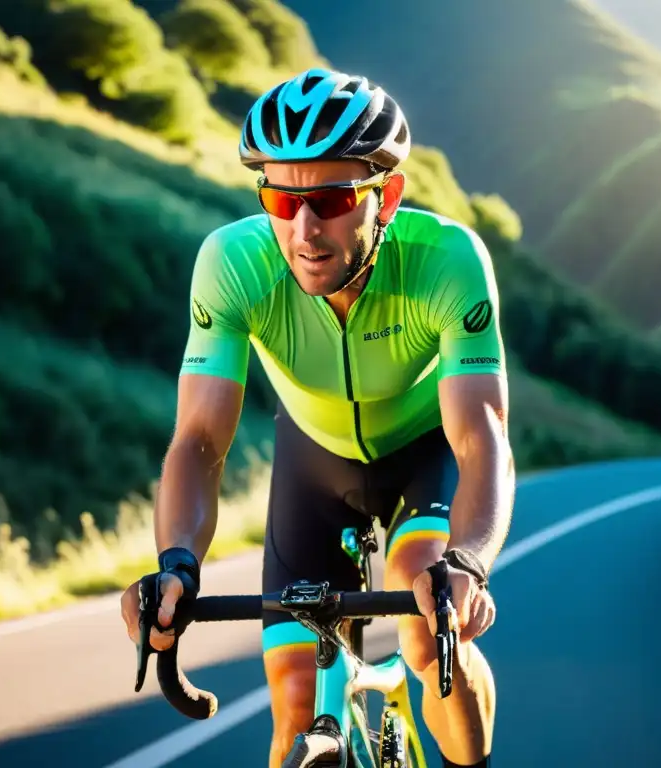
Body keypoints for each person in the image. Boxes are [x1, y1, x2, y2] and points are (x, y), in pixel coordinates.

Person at [119, 67, 515, 768]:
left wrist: (470, 563)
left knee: (429, 634)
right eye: (280, 196)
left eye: (331, 199)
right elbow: (199, 438)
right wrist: (177, 564)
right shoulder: (233, 263)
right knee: (294, 707)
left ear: (384, 195)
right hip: (312, 461)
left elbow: (481, 436)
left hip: (424, 450)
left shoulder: (447, 260)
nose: (303, 230)